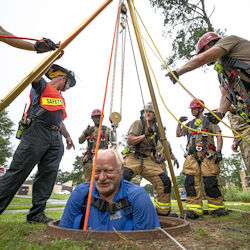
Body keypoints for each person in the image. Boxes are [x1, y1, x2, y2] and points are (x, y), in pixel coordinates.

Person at [0, 62, 76, 223]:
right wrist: (51, 57)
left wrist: (67, 137)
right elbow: (34, 75)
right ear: (62, 78)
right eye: (69, 84)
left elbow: (60, 120)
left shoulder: (61, 98)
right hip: (36, 131)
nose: (68, 88)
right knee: (18, 171)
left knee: (48, 174)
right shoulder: (41, 86)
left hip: (55, 135)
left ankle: (36, 214)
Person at [59, 149, 160, 230]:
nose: (102, 178)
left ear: (121, 169)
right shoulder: (80, 194)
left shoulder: (138, 197)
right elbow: (63, 236)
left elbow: (147, 242)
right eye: (97, 171)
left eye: (108, 171)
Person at [167, 32, 250, 125]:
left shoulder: (229, 40)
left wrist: (178, 71)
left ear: (207, 47)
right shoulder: (222, 73)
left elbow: (202, 59)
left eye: (202, 53)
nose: (206, 63)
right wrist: (220, 113)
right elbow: (226, 95)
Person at [176, 99, 227, 219]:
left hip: (207, 154)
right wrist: (179, 123)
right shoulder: (189, 124)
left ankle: (217, 207)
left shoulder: (210, 121)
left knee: (210, 181)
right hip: (192, 155)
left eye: (194, 108)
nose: (192, 111)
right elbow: (178, 134)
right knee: (190, 181)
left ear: (201, 109)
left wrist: (218, 151)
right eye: (191, 108)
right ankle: (193, 209)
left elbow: (219, 136)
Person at [122, 102, 174, 216]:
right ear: (142, 114)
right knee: (123, 178)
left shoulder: (157, 128)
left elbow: (162, 145)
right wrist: (144, 135)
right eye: (146, 111)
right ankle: (120, 210)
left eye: (151, 112)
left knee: (164, 181)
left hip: (147, 160)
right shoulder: (138, 123)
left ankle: (163, 212)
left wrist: (164, 156)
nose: (148, 114)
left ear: (155, 115)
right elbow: (130, 141)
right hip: (133, 157)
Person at [78, 109, 114, 182]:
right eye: (96, 117)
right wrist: (85, 134)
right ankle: (88, 193)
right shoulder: (89, 130)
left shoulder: (108, 130)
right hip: (90, 158)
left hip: (103, 159)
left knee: (103, 180)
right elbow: (80, 141)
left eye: (99, 117)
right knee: (88, 181)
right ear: (93, 119)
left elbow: (114, 144)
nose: (98, 119)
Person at [228, 105, 250, 174]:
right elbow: (235, 129)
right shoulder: (229, 115)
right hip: (241, 140)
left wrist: (222, 110)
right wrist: (235, 141)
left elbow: (234, 108)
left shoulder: (242, 99)